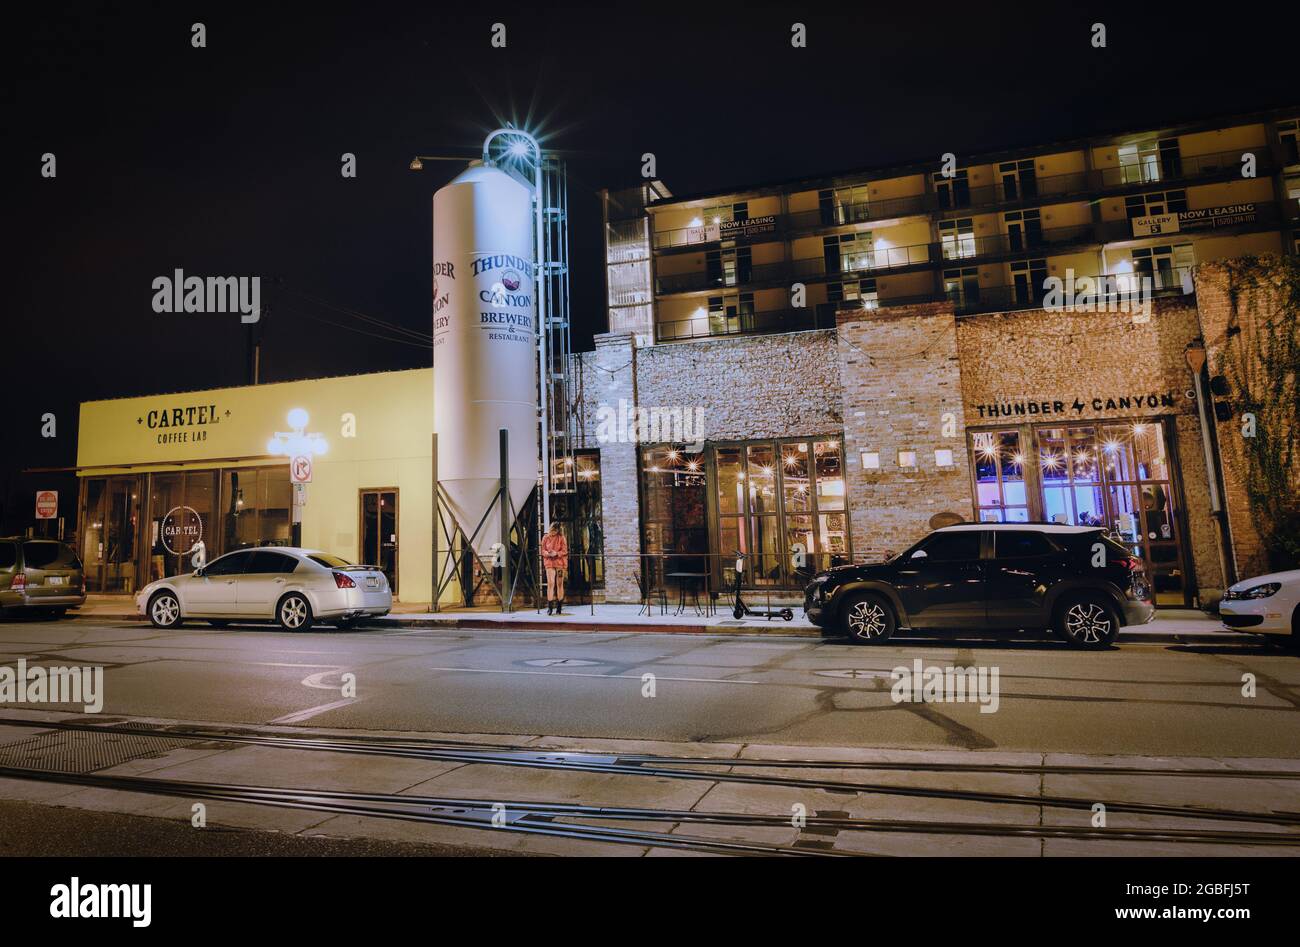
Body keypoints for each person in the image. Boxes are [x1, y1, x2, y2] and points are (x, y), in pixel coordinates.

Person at [541, 523, 569, 616]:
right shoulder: (545, 537)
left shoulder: (561, 538)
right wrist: (548, 554)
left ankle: (559, 607)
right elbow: (543, 550)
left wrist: (556, 553)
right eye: (552, 530)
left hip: (560, 563)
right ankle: (550, 607)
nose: (553, 532)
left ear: (558, 531)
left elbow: (565, 551)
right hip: (549, 563)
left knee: (559, 584)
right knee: (550, 583)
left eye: (555, 531)